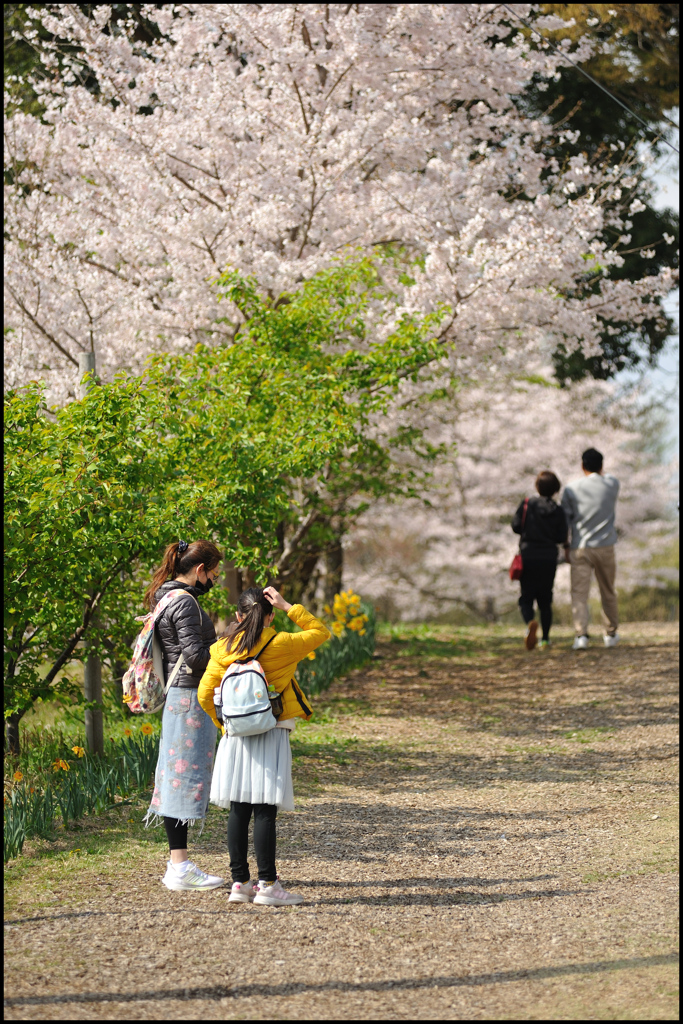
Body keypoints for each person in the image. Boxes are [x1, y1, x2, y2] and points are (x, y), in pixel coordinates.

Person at [198, 585, 330, 907]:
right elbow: (320, 631)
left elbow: (204, 695)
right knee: (265, 809)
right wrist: (288, 605)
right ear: (270, 615)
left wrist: (227, 726)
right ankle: (268, 885)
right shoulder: (282, 643)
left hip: (235, 738)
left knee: (238, 809)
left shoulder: (221, 649)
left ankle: (239, 883)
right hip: (271, 730)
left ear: (239, 616)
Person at [143, 539, 226, 891]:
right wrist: (229, 654)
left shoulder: (166, 597)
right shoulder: (186, 602)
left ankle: (178, 863)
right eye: (214, 574)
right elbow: (195, 656)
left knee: (176, 776)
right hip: (191, 697)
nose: (215, 581)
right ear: (200, 570)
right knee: (182, 778)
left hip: (181, 697)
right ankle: (180, 867)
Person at [561, 447, 620, 650]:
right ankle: (610, 633)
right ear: (602, 466)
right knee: (608, 590)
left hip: (581, 546)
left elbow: (566, 521)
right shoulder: (612, 484)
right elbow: (607, 477)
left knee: (579, 593)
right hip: (605, 545)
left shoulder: (571, 489)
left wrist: (566, 546)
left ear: (582, 466)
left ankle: (581, 635)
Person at [512, 470, 568, 650]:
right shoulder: (558, 510)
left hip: (528, 555)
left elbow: (515, 526)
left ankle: (530, 623)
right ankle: (545, 639)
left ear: (537, 486)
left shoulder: (527, 504)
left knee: (526, 598)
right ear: (555, 490)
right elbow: (561, 537)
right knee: (545, 600)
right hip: (548, 558)